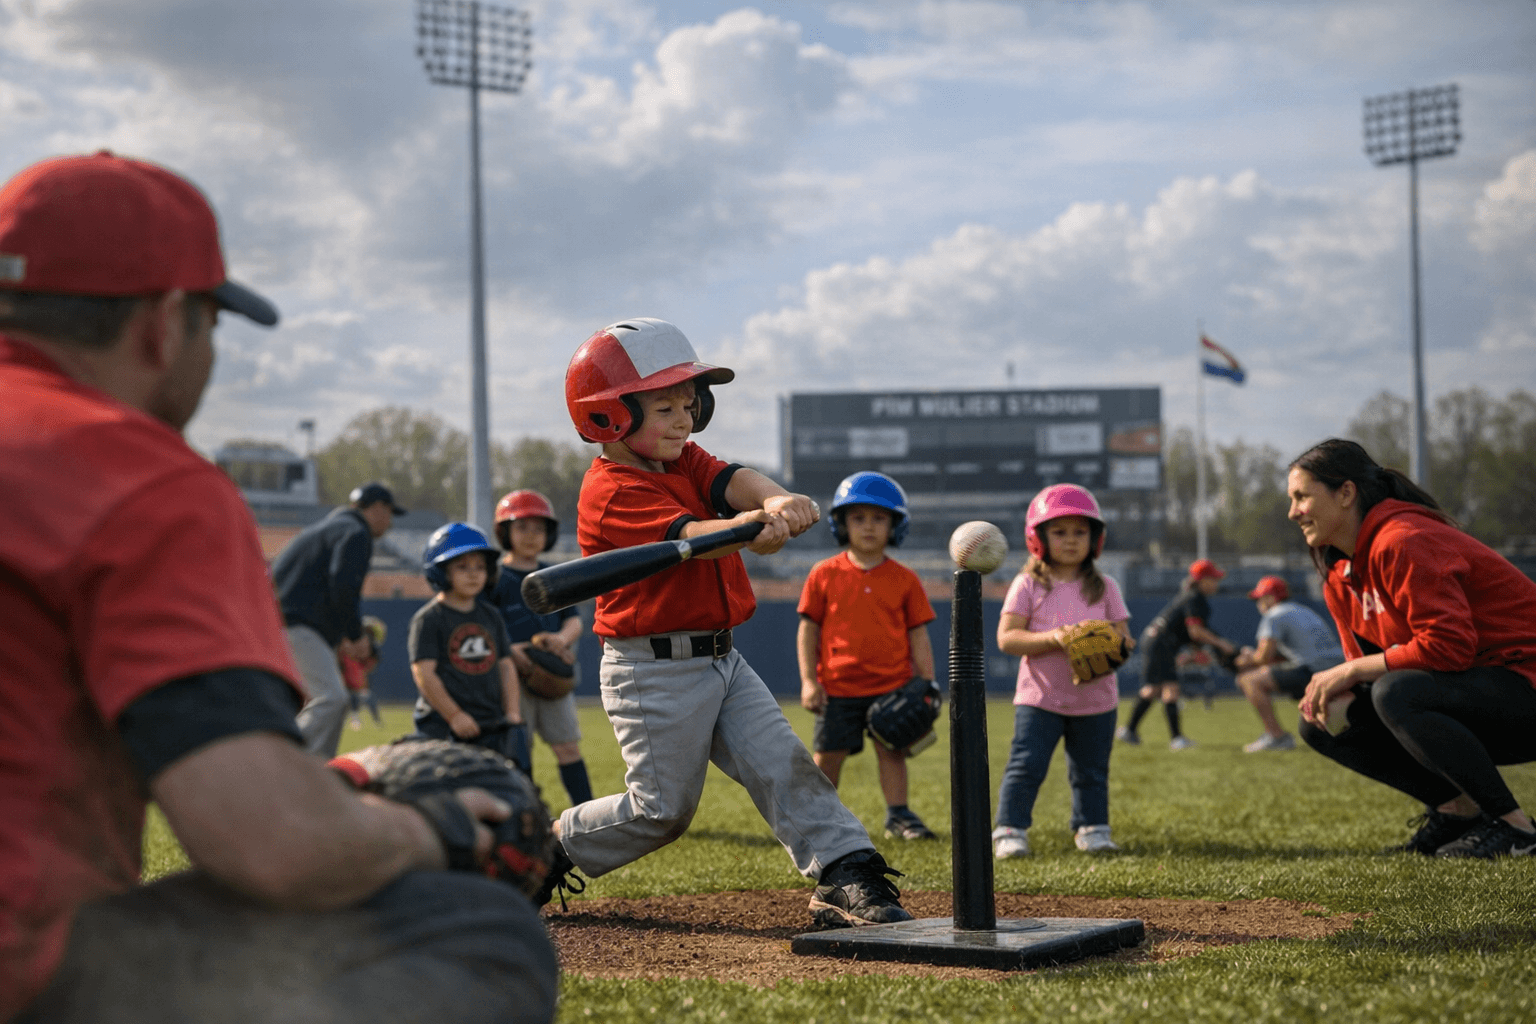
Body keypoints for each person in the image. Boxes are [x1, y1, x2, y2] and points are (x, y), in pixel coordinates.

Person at [0, 151, 556, 1023]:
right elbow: (274, 847)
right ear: (165, 321)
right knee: (477, 930)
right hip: (25, 975)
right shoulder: (136, 475)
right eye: (213, 324)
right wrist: (431, 828)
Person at [547, 317, 912, 929]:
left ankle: (845, 870)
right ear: (609, 415)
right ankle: (546, 849)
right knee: (661, 811)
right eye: (664, 406)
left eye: (689, 404)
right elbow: (693, 538)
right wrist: (748, 531)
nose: (684, 419)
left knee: (783, 760)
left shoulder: (681, 459)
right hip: (651, 671)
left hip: (723, 659)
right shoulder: (610, 489)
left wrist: (770, 501)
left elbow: (729, 479)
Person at [1288, 438, 1536, 859]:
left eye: (1301, 497)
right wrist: (1346, 681)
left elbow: (1450, 647)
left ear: (1346, 493)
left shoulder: (1403, 539)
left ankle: (1517, 830)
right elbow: (1365, 668)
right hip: (1480, 694)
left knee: (1397, 692)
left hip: (1524, 682)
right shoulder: (1338, 573)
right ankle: (1459, 813)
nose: (1293, 511)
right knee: (1323, 717)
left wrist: (1352, 671)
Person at [993, 484, 1134, 858]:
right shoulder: (1028, 584)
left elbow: (1124, 641)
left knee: (1091, 771)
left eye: (1080, 532)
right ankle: (1010, 829)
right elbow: (1007, 639)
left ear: (1096, 538)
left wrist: (1107, 644)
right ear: (1037, 537)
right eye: (1059, 531)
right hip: (1040, 698)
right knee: (1027, 765)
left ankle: (1093, 828)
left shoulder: (1105, 587)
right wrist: (1058, 637)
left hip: (1096, 699)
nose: (1071, 540)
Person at [798, 471, 939, 841]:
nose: (869, 527)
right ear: (841, 523)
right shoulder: (823, 574)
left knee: (892, 754)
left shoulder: (906, 579)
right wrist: (809, 682)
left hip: (892, 686)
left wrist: (926, 681)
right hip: (838, 686)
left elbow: (918, 634)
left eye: (879, 518)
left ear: (895, 525)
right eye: (858, 518)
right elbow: (808, 630)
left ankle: (898, 817)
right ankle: (817, 819)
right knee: (828, 756)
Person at [272, 479, 407, 757]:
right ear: (379, 508)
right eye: (390, 513)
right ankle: (286, 762)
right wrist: (355, 636)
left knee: (313, 702)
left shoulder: (325, 528)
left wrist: (340, 635)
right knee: (331, 698)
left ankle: (315, 772)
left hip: (274, 623)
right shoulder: (356, 531)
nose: (390, 523)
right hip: (294, 624)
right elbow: (343, 586)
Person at [490, 489, 594, 807]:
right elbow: (484, 626)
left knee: (567, 747)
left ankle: (586, 813)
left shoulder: (552, 575)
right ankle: (527, 815)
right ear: (505, 532)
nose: (531, 535)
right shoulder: (494, 577)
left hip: (552, 672)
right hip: (511, 675)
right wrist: (510, 649)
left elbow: (573, 621)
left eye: (539, 528)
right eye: (522, 527)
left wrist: (561, 640)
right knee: (520, 747)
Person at [408, 523, 531, 775]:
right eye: (462, 567)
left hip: (492, 722)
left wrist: (512, 712)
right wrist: (454, 715)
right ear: (440, 573)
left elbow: (506, 666)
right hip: (443, 726)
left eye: (480, 567)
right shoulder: (429, 619)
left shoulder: (491, 616)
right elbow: (424, 673)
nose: (473, 574)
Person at [1116, 558, 1238, 750]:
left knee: (1152, 689)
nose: (1216, 583)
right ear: (1201, 580)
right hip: (1161, 644)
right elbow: (1196, 632)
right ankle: (1177, 739)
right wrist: (1221, 644)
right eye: (1213, 578)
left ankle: (1129, 730)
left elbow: (1191, 634)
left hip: (1156, 641)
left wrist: (1195, 652)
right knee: (1170, 689)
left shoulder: (1192, 596)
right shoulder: (1194, 597)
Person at [1232, 575, 1343, 752]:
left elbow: (1262, 658)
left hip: (1313, 671)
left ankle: (1276, 736)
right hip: (1339, 670)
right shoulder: (1303, 610)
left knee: (1247, 680)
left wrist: (1245, 658)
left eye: (1260, 598)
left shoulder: (1274, 615)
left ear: (1270, 598)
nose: (1258, 604)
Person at [341, 615, 387, 730]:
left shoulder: (368, 655)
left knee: (368, 697)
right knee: (352, 698)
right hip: (346, 684)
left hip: (358, 683)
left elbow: (370, 665)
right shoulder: (345, 653)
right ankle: (355, 719)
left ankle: (376, 720)